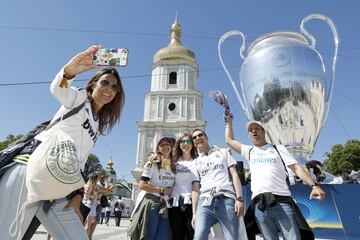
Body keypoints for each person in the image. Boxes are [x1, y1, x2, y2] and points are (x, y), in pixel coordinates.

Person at [0, 45, 125, 240]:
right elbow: (58, 88)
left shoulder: (97, 124)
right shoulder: (79, 99)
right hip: (30, 171)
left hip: (58, 187)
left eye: (114, 87)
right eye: (105, 82)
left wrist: (76, 195)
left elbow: (80, 161)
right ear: (93, 84)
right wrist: (70, 70)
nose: (109, 88)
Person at [224, 117, 326, 240]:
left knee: (293, 237)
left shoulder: (278, 148)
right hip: (260, 205)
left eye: (256, 128)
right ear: (249, 135)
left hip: (281, 201)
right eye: (250, 130)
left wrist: (314, 185)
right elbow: (229, 140)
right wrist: (228, 124)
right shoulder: (249, 151)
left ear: (263, 131)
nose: (253, 131)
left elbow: (296, 167)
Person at [191, 129, 245, 240]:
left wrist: (239, 199)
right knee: (198, 236)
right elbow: (195, 189)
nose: (197, 138)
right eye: (194, 137)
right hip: (205, 202)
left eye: (200, 135)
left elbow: (235, 175)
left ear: (206, 138)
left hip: (226, 199)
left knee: (231, 237)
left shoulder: (223, 152)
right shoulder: (195, 162)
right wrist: (194, 213)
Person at [128, 137, 176, 240]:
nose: (165, 147)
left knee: (162, 236)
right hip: (152, 202)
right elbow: (142, 185)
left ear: (171, 147)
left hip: (166, 205)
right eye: (162, 145)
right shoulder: (152, 163)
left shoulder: (174, 166)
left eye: (167, 144)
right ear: (158, 148)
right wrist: (161, 190)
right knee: (149, 235)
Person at [168, 133, 197, 240]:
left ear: (192, 144)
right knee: (177, 235)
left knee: (191, 235)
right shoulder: (174, 162)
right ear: (179, 144)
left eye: (188, 141)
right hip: (175, 203)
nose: (186, 144)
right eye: (183, 141)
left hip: (191, 203)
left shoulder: (197, 161)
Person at [83, 173, 113, 240]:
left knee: (84, 224)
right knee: (88, 225)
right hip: (91, 205)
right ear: (95, 179)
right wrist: (111, 187)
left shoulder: (85, 185)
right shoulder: (96, 186)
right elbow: (105, 191)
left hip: (84, 204)